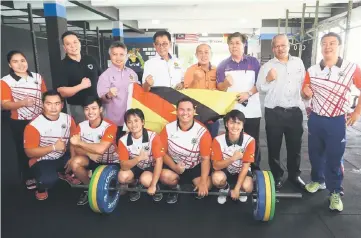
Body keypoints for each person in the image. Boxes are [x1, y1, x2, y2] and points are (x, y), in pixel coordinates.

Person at [302, 32, 361, 212]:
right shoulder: (312, 70)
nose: (328, 47)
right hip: (316, 119)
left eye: (332, 43)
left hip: (336, 121)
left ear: (339, 46)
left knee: (335, 157)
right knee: (315, 154)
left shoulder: (351, 68)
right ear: (320, 47)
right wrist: (305, 91)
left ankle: (335, 191)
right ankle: (318, 180)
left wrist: (357, 112)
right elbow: (304, 93)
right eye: (324, 43)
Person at [256, 34, 306, 190]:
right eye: (277, 46)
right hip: (274, 112)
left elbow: (304, 83)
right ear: (273, 49)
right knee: (274, 146)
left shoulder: (298, 62)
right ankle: (277, 175)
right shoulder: (267, 67)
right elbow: (260, 88)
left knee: (295, 146)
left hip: (295, 112)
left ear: (289, 46)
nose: (280, 48)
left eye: (283, 45)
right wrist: (268, 79)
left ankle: (294, 175)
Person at [1, 50, 47, 190]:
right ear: (10, 64)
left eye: (22, 60)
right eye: (15, 61)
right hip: (20, 121)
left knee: (43, 145)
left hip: (40, 119)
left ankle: (45, 172)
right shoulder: (6, 81)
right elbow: (4, 104)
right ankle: (28, 177)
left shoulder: (37, 77)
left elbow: (45, 96)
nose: (20, 64)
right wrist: (22, 103)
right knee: (24, 150)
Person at [216, 32, 262, 171]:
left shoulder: (253, 62)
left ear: (244, 45)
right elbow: (219, 88)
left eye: (237, 43)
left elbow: (260, 84)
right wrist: (225, 84)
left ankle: (253, 170)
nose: (234, 46)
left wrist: (248, 93)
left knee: (253, 141)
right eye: (231, 43)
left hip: (252, 110)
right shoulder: (223, 65)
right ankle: (232, 170)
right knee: (232, 141)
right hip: (232, 111)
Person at [23, 90, 77, 200]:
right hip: (42, 160)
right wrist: (53, 147)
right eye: (49, 103)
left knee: (83, 160)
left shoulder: (68, 119)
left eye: (57, 104)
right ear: (43, 105)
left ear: (62, 105)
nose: (53, 108)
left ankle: (63, 171)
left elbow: (74, 141)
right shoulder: (34, 126)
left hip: (62, 155)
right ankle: (40, 185)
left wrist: (73, 158)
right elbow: (29, 152)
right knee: (47, 180)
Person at [66, 96, 119, 205]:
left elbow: (100, 149)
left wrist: (80, 143)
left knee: (120, 191)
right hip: (92, 160)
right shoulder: (81, 126)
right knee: (75, 162)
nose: (90, 112)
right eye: (87, 109)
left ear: (100, 110)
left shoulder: (110, 126)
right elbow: (74, 146)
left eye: (94, 108)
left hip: (111, 162)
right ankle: (90, 188)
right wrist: (89, 154)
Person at [159, 98, 212, 204]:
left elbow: (205, 159)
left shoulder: (203, 132)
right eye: (182, 110)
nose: (185, 113)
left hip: (195, 165)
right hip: (174, 163)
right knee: (164, 176)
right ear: (177, 111)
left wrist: (202, 183)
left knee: (207, 185)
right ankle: (174, 188)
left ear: (194, 112)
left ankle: (194, 184)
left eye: (189, 110)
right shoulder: (168, 128)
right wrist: (174, 167)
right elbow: (162, 153)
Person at [117, 108, 165, 202]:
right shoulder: (123, 140)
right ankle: (135, 183)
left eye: (136, 121)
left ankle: (156, 187)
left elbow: (159, 161)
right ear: (126, 125)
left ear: (142, 122)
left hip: (150, 166)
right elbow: (123, 165)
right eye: (129, 122)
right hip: (136, 166)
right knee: (122, 177)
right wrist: (138, 158)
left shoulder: (153, 136)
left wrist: (153, 185)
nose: (133, 125)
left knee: (146, 180)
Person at [56, 31, 102, 123]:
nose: (73, 46)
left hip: (97, 105)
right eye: (68, 44)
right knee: (83, 133)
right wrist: (81, 86)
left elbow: (101, 78)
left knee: (101, 132)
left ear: (79, 43)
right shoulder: (62, 65)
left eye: (75, 42)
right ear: (64, 48)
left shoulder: (90, 59)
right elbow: (62, 92)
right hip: (78, 108)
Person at [97, 41, 138, 140]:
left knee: (131, 149)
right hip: (114, 121)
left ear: (126, 56)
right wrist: (109, 94)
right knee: (116, 149)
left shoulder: (132, 73)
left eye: (121, 54)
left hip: (132, 121)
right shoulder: (105, 76)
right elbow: (102, 99)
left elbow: (138, 93)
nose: (118, 58)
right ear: (110, 56)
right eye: (115, 54)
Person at [211, 110, 254, 204]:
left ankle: (242, 189)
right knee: (216, 179)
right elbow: (215, 166)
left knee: (247, 187)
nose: (235, 127)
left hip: (242, 170)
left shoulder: (250, 140)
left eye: (238, 123)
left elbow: (246, 167)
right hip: (225, 170)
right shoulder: (218, 140)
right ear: (226, 124)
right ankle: (224, 188)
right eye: (232, 123)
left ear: (243, 125)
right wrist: (233, 158)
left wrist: (237, 189)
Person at [183, 43, 219, 138]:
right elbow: (187, 93)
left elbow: (221, 89)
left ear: (211, 54)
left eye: (206, 52)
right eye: (200, 53)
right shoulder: (190, 70)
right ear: (196, 55)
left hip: (213, 113)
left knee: (212, 138)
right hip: (196, 113)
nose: (204, 55)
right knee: (196, 140)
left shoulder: (217, 70)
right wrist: (195, 80)